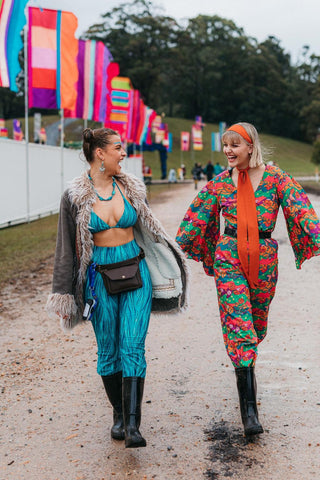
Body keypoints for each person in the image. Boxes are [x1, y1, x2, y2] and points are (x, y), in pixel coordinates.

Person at [46, 127, 189, 449]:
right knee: (108, 350)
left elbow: (150, 232)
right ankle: (120, 415)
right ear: (100, 153)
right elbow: (65, 248)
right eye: (118, 148)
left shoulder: (132, 188)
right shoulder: (74, 196)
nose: (123, 154)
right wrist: (64, 292)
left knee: (133, 346)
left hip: (137, 273)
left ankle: (134, 426)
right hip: (99, 280)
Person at [176, 122, 320, 436]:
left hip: (264, 258)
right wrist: (172, 249)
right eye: (225, 145)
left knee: (256, 325)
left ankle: (247, 367)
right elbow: (194, 218)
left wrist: (315, 236)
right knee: (238, 325)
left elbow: (302, 211)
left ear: (250, 147)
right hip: (228, 256)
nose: (228, 151)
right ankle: (249, 414)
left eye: (234, 145)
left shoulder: (276, 178)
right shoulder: (218, 184)